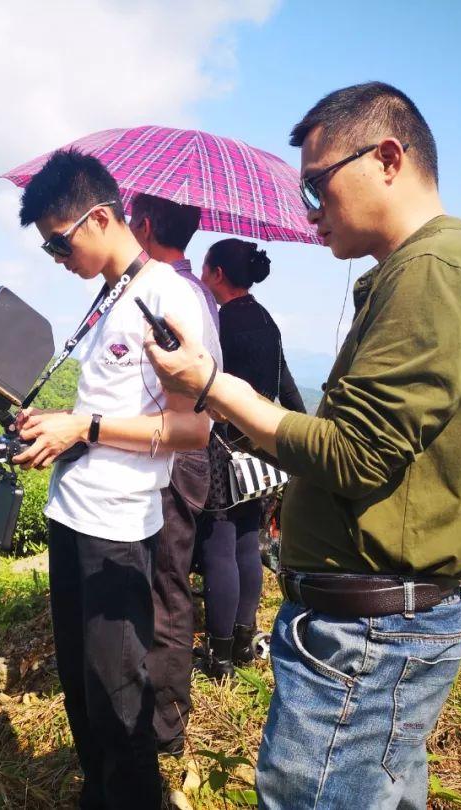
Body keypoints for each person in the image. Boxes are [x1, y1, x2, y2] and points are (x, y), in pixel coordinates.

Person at [143, 81, 461, 808]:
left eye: (317, 186)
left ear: (386, 157)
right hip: (376, 625)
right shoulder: (414, 275)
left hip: (369, 633)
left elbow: (355, 454)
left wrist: (215, 386)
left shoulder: (434, 275)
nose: (308, 213)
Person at [13, 149, 214, 810]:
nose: (57, 258)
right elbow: (107, 404)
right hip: (74, 513)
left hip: (120, 528)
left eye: (58, 243)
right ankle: (97, 791)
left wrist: (86, 429)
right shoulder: (110, 294)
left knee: (119, 690)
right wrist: (59, 424)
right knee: (79, 680)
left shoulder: (168, 297)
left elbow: (194, 431)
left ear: (100, 217)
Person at [129, 192, 222, 756]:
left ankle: (164, 727)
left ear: (142, 226)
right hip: (182, 455)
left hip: (175, 452)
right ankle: (157, 710)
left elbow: (182, 399)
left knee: (165, 587)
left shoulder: (169, 295)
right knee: (166, 583)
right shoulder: (198, 292)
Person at [195, 238, 304, 680]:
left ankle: (218, 656)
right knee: (246, 541)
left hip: (222, 450)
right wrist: (300, 439)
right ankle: (242, 640)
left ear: (218, 274)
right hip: (260, 452)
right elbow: (286, 381)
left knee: (219, 545)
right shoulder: (266, 320)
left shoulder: (218, 325)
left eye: (205, 268)